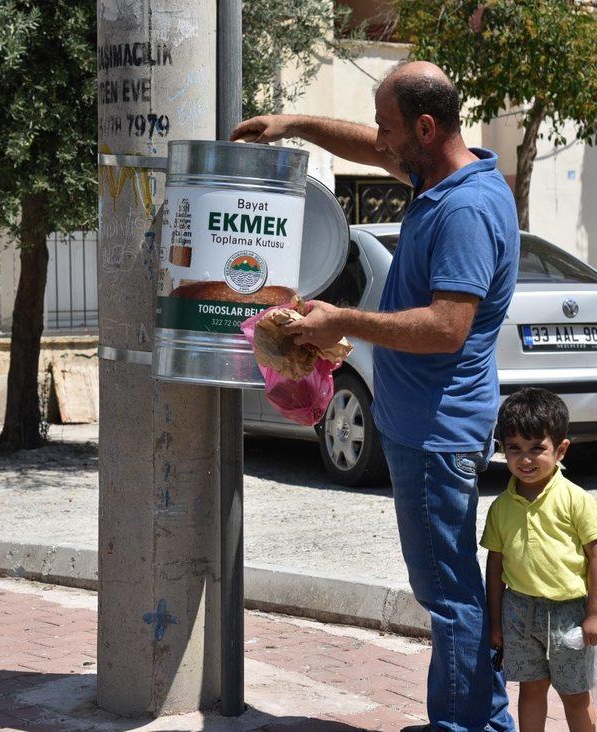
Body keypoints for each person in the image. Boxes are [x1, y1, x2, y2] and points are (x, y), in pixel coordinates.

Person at [232, 60, 519, 732]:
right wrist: (294, 123)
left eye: (392, 129)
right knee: (450, 590)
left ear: (426, 126)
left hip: (435, 430)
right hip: (426, 424)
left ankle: (469, 726)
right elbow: (367, 144)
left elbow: (448, 328)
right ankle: (475, 718)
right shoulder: (444, 174)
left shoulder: (467, 208)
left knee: (449, 596)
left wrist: (342, 321)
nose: (381, 142)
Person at [481, 388, 597, 732]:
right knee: (530, 690)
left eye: (537, 448)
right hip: (519, 613)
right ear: (503, 449)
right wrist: (497, 623)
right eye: (514, 448)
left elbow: (594, 555)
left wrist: (593, 613)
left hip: (570, 614)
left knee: (575, 694)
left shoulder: (576, 500)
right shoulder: (501, 507)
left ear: (560, 449)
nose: (525, 459)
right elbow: (495, 566)